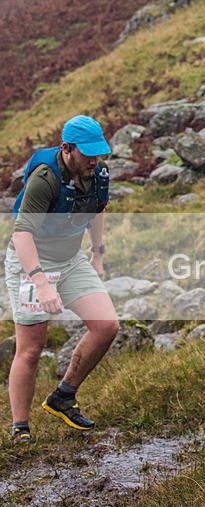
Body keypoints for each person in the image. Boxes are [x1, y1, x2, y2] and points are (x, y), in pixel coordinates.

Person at [5, 115, 119, 444]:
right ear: (67, 149)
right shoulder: (45, 179)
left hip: (70, 260)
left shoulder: (98, 173)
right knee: (31, 349)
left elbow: (98, 209)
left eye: (98, 153)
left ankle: (63, 396)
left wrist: (96, 254)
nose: (94, 161)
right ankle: (20, 428)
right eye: (87, 154)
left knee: (107, 326)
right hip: (33, 262)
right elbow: (23, 234)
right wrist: (41, 283)